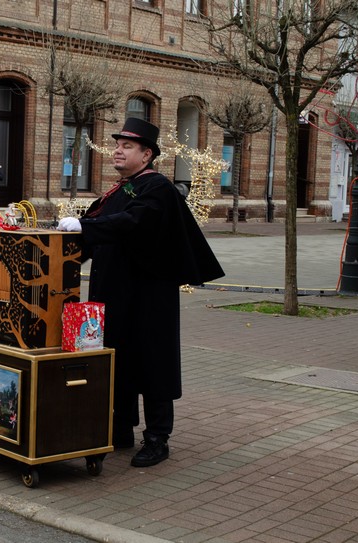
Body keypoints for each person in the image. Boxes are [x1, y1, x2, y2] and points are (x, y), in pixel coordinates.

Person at [57, 118, 224, 468]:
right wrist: (62, 250)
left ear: (146, 155)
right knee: (118, 360)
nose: (118, 150)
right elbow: (99, 233)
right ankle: (120, 429)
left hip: (149, 297)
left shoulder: (157, 189)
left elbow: (132, 223)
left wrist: (84, 226)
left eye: (127, 146)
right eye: (118, 144)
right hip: (114, 294)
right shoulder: (119, 190)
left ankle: (157, 438)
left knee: (153, 364)